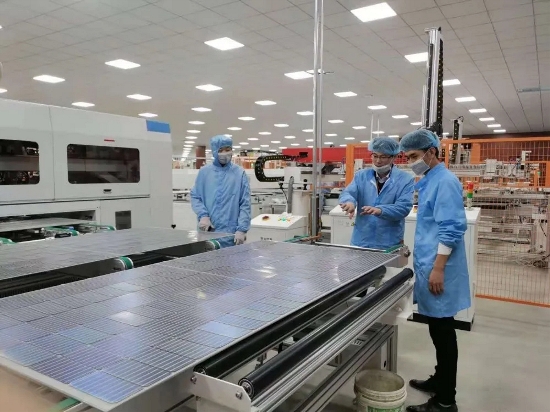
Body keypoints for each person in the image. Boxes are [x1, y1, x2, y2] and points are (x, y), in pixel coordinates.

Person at [399, 129, 470, 412]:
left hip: (440, 268)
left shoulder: (445, 182)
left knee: (443, 332)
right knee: (436, 329)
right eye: (408, 157)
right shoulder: (430, 180)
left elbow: (451, 228)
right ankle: (440, 380)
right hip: (430, 264)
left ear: (432, 151)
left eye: (414, 156)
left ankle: (445, 401)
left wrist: (438, 268)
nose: (411, 162)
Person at [338, 136, 414, 250]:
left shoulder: (405, 179)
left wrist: (380, 210)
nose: (378, 161)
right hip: (361, 240)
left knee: (387, 263)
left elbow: (403, 208)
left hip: (389, 242)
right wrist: (349, 202)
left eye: (383, 157)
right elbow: (348, 192)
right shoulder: (361, 176)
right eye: (375, 156)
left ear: (394, 157)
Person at [191, 135, 251, 246]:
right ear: (214, 151)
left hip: (231, 235)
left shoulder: (239, 173)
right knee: (207, 256)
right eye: (221, 150)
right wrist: (203, 215)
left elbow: (245, 204)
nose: (225, 153)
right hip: (208, 232)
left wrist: (242, 229)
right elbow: (195, 196)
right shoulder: (204, 173)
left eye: (228, 149)